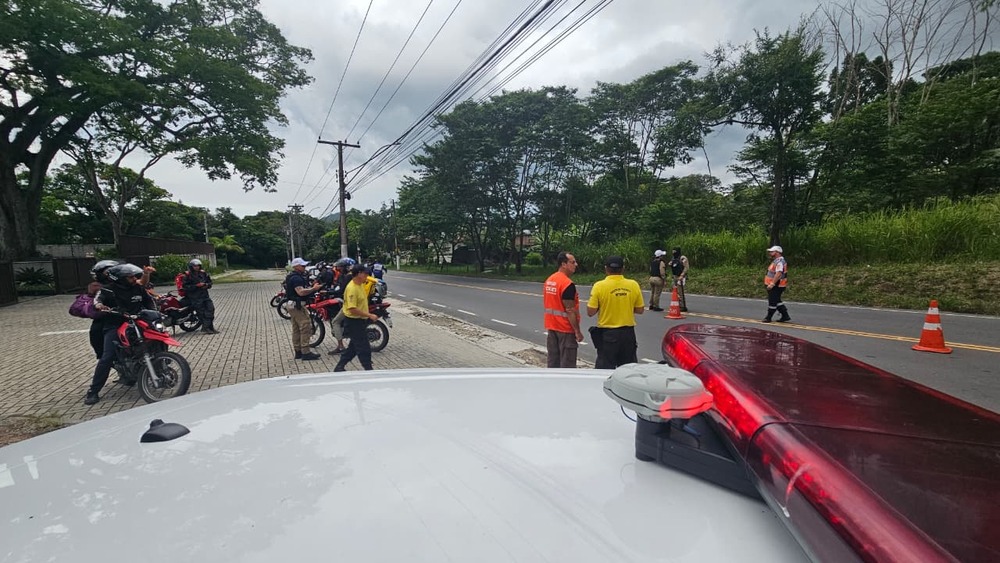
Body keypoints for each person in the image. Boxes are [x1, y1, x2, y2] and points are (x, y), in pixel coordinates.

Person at [85, 263, 155, 405]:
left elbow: (150, 302)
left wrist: (155, 313)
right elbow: (97, 301)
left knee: (157, 339)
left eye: (134, 276)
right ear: (120, 279)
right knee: (107, 357)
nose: (134, 278)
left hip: (137, 322)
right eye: (130, 277)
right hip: (115, 325)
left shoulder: (138, 288)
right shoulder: (107, 290)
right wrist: (100, 306)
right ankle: (93, 391)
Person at [587, 255, 645, 369]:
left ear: (606, 269)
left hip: (608, 334)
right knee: (628, 371)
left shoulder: (599, 286)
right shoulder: (633, 284)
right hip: (628, 334)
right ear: (623, 269)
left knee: (605, 369)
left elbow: (590, 312)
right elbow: (640, 309)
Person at [334, 263, 378, 372]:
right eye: (365, 274)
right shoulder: (352, 288)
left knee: (353, 348)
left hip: (360, 321)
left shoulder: (360, 285)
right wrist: (369, 315)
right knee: (363, 347)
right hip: (354, 322)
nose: (367, 276)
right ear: (359, 274)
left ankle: (340, 366)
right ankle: (368, 369)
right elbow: (352, 309)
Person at [543, 251, 584, 368]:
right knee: (567, 366)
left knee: (553, 362)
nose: (576, 264)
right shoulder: (567, 284)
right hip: (565, 329)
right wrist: (577, 331)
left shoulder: (550, 280)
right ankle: (566, 386)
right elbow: (570, 310)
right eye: (573, 262)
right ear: (563, 264)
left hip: (552, 327)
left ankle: (552, 384)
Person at [285, 258, 322, 360]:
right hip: (297, 306)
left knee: (296, 328)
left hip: (292, 305)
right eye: (302, 266)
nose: (304, 267)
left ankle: (298, 351)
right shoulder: (296, 278)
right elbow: (300, 292)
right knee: (305, 326)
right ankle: (306, 352)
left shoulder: (291, 276)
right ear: (296, 266)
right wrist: (314, 289)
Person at [85, 260, 118, 359]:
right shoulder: (97, 286)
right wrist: (99, 305)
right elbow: (96, 299)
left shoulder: (126, 283)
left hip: (127, 315)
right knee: (96, 332)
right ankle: (104, 358)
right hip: (108, 317)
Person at [181, 258, 218, 334]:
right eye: (195, 266)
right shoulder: (187, 275)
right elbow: (185, 287)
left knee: (211, 309)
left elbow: (210, 283)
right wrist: (196, 286)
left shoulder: (203, 273)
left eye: (198, 266)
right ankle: (206, 328)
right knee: (202, 313)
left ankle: (210, 327)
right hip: (195, 297)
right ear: (191, 266)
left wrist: (206, 285)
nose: (197, 267)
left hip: (205, 295)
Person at [763, 245, 791, 323]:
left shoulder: (779, 262)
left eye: (772, 251)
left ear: (777, 252)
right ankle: (785, 315)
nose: (770, 253)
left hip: (776, 285)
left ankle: (768, 317)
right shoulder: (776, 260)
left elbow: (778, 274)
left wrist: (772, 284)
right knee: (777, 300)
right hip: (775, 285)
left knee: (772, 301)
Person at [668, 247, 690, 312]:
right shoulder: (673, 258)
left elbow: (686, 268)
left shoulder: (683, 258)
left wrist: (682, 275)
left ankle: (682, 306)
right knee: (675, 291)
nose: (674, 253)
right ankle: (678, 304)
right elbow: (671, 264)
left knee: (680, 292)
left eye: (675, 251)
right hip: (675, 276)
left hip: (681, 276)